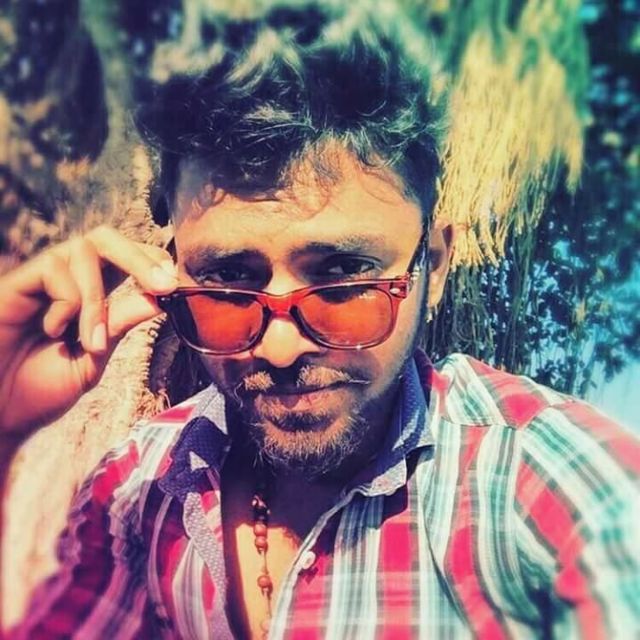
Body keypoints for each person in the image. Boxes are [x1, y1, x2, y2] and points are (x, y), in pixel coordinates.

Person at [1, 2, 638, 639]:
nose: (279, 349)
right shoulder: (141, 485)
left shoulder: (556, 486)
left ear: (435, 266)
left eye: (343, 278)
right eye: (230, 280)